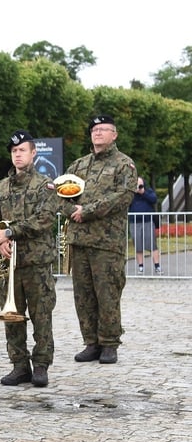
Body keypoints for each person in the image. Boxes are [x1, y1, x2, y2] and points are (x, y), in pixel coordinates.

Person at [0, 130, 57, 387]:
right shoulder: (1, 188)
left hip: (36, 262)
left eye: (22, 150)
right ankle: (19, 365)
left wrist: (10, 232)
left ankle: (42, 365)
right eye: (14, 151)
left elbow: (44, 219)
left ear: (33, 153)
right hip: (9, 264)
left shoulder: (45, 185)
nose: (17, 155)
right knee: (12, 317)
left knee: (41, 315)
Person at [60, 115, 137, 365]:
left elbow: (123, 196)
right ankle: (91, 342)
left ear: (114, 135)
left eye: (104, 129)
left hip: (107, 243)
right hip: (80, 241)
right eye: (94, 129)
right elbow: (60, 194)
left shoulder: (124, 164)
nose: (98, 133)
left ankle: (109, 343)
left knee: (107, 294)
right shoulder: (79, 165)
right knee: (83, 296)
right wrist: (72, 211)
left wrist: (88, 210)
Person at [128, 177, 162, 275]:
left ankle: (157, 266)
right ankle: (141, 267)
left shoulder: (148, 191)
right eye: (137, 185)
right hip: (134, 222)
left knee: (152, 244)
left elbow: (154, 199)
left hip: (147, 221)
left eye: (140, 185)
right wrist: (133, 192)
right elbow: (126, 203)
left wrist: (143, 192)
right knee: (138, 245)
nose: (139, 187)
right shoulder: (131, 193)